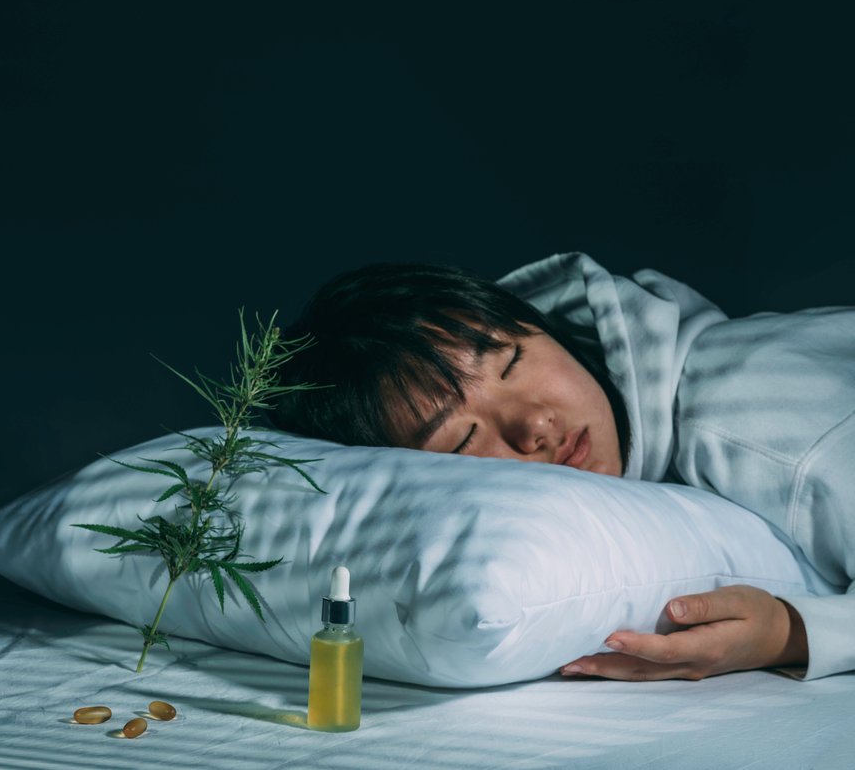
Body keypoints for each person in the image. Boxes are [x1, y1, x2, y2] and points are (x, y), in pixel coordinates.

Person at [269, 252, 855, 682]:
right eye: (463, 439)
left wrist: (792, 634)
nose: (537, 425)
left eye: (514, 361)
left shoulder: (760, 429)